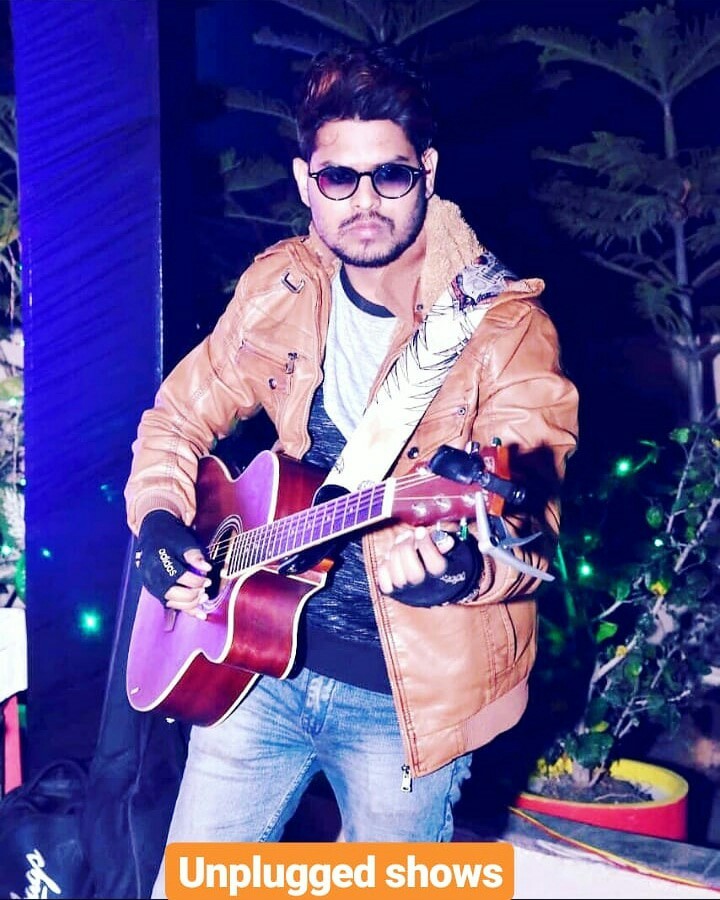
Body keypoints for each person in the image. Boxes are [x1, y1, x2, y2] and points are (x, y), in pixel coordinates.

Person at [125, 44, 579, 895]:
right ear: (307, 181)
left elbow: (530, 532)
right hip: (254, 671)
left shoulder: (504, 330)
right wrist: (156, 520)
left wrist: (462, 571)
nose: (364, 201)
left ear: (428, 172)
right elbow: (177, 419)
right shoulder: (280, 287)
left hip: (408, 709)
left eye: (391, 176)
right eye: (339, 178)